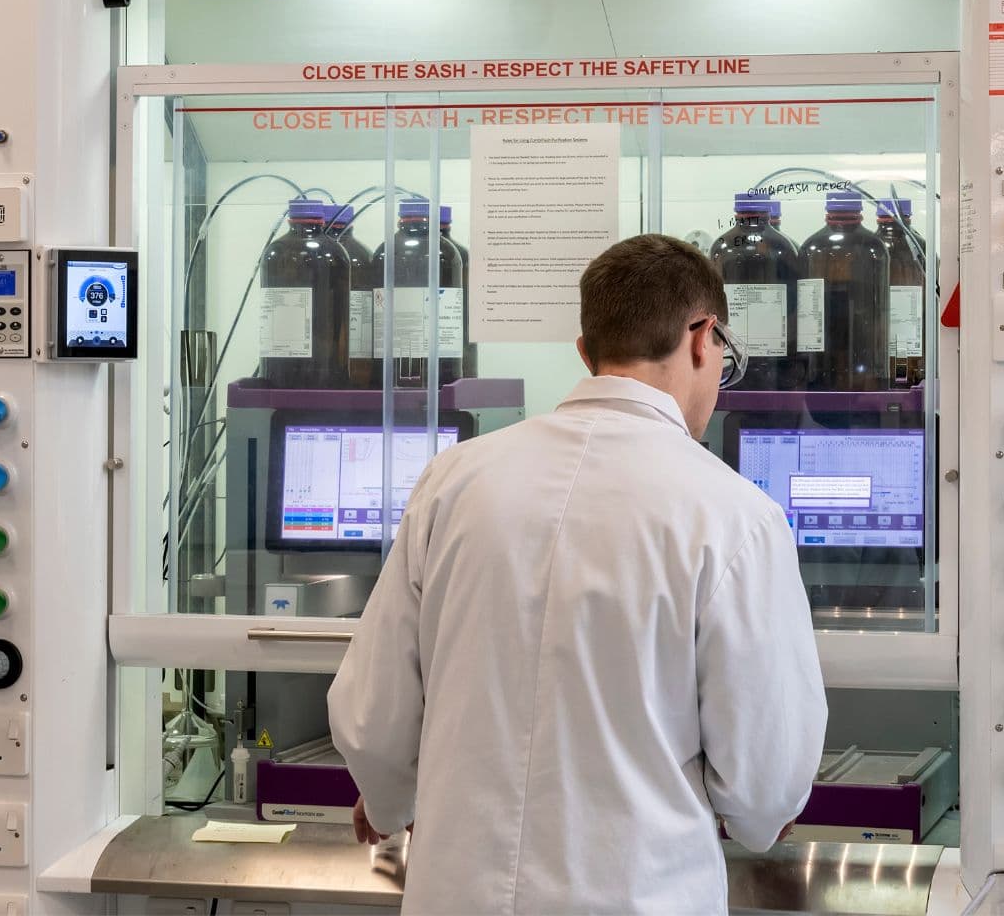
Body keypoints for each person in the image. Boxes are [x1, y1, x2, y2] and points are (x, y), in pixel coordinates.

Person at [328, 234, 827, 914]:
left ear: (586, 352)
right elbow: (766, 777)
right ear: (704, 338)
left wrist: (390, 802)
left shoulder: (454, 482)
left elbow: (371, 717)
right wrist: (757, 818)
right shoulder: (735, 516)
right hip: (637, 894)